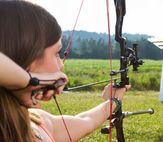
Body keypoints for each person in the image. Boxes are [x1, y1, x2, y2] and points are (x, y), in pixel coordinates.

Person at [0, 1, 129, 142]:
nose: (61, 65)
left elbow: (86, 120)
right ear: (27, 56)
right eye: (57, 53)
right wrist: (30, 80)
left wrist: (114, 100)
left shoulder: (37, 123)